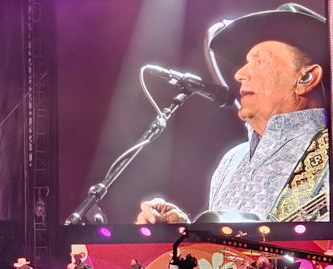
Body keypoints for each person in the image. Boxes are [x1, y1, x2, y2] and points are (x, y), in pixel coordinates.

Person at [136, 5, 329, 224]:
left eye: (259, 61)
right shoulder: (233, 159)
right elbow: (228, 253)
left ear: (306, 78)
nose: (239, 74)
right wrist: (184, 234)